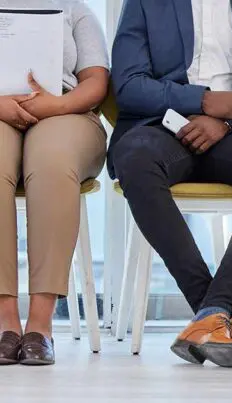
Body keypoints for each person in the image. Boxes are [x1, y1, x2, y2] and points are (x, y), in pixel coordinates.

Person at [109, 0, 232, 368]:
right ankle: (214, 310)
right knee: (133, 155)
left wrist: (225, 122)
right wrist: (202, 100)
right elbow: (130, 84)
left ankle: (213, 314)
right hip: (162, 126)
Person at [0, 0, 109, 366]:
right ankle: (5, 323)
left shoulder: (72, 8)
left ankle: (40, 325)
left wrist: (55, 106)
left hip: (67, 110)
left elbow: (96, 81)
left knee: (51, 163)